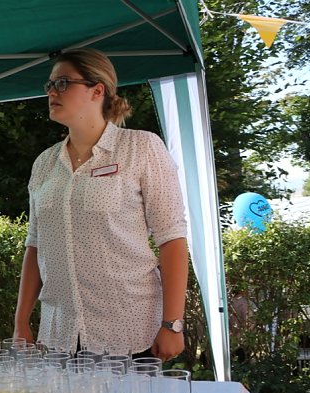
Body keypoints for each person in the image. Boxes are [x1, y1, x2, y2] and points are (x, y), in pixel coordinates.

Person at [13, 49, 189, 361]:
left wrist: (172, 324)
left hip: (129, 332)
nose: (52, 92)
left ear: (98, 90)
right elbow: (35, 245)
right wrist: (21, 321)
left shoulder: (141, 148)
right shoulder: (44, 164)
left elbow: (171, 237)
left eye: (63, 83)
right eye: (50, 85)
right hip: (58, 336)